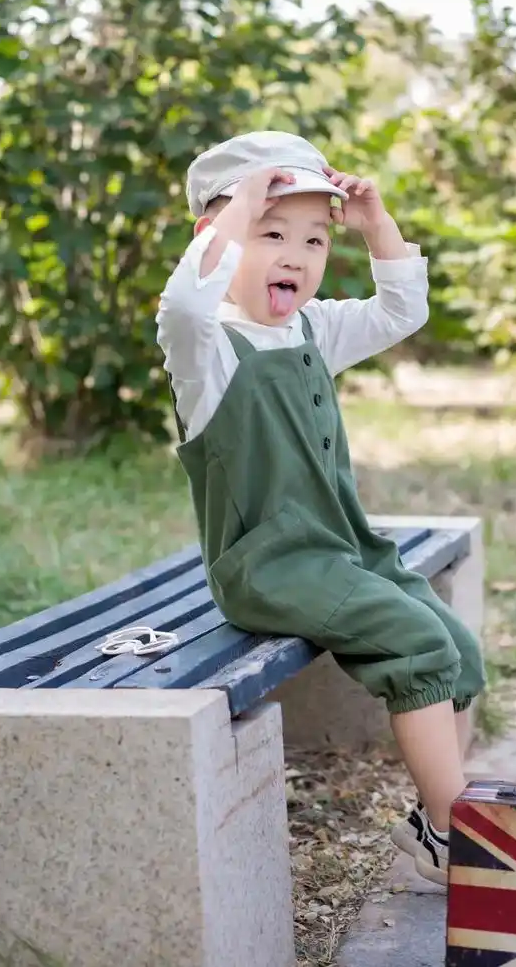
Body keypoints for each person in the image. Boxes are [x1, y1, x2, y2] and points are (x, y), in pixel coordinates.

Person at [156, 131, 486, 887]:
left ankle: (441, 816)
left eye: (313, 238)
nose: (295, 257)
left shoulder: (311, 328)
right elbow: (183, 301)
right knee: (416, 642)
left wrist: (375, 224)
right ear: (218, 236)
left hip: (339, 550)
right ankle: (455, 834)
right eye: (270, 234)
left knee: (453, 645)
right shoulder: (206, 351)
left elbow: (401, 310)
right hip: (268, 567)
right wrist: (237, 206)